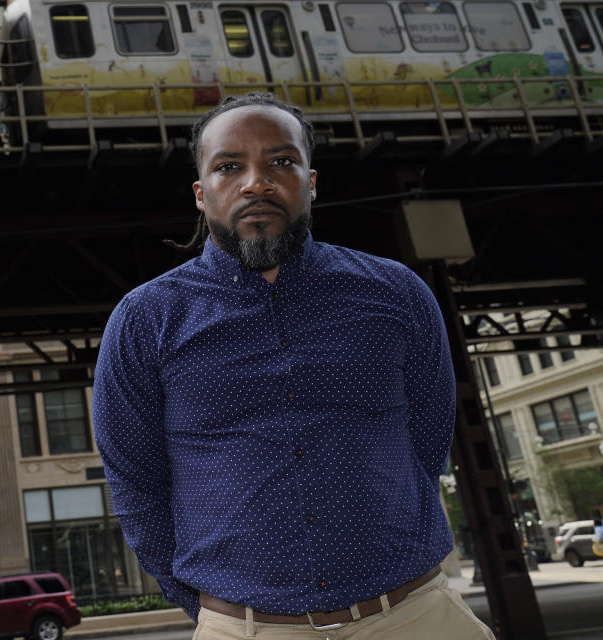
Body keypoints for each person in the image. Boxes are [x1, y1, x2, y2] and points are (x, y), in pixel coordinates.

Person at [92, 92, 494, 639]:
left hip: (417, 617)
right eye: (229, 166)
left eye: (281, 162)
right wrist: (214, 610)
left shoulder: (398, 293)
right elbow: (136, 481)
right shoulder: (144, 320)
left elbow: (427, 439)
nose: (256, 182)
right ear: (200, 194)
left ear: (310, 182)